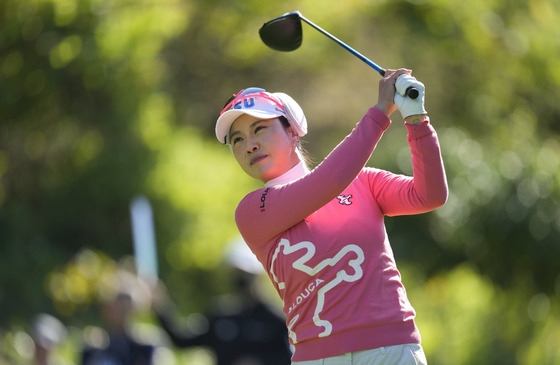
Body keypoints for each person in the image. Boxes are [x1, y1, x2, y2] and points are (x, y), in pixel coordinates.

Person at [214, 69, 448, 364]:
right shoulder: (251, 211)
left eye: (259, 129)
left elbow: (430, 195)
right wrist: (380, 112)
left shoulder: (363, 182)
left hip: (391, 348)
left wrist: (416, 119)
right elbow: (328, 182)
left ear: (293, 131)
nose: (249, 145)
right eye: (237, 139)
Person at [152, 239, 292, 365]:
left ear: (258, 277)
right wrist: (160, 306)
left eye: (245, 274)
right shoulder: (221, 315)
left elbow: (292, 357)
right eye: (236, 273)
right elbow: (181, 340)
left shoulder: (275, 319)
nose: (240, 278)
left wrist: (259, 361)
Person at [81, 271, 156, 365]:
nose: (122, 312)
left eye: (126, 306)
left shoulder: (144, 347)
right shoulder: (94, 348)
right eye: (118, 306)